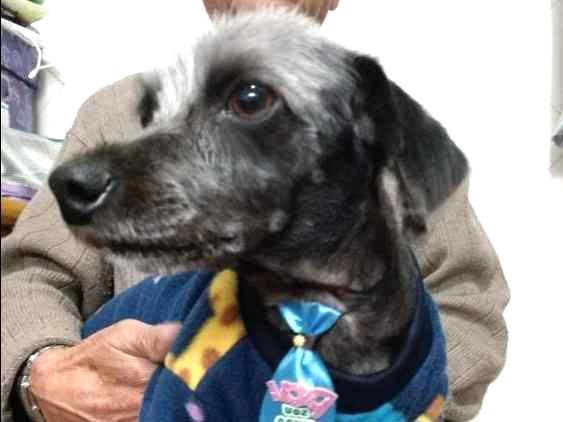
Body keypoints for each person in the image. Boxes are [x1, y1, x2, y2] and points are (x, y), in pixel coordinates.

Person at [0, 1, 509, 421]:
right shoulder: (113, 113)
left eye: (251, 100)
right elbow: (29, 274)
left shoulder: (385, 128)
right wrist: (41, 372)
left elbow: (468, 308)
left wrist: (368, 403)